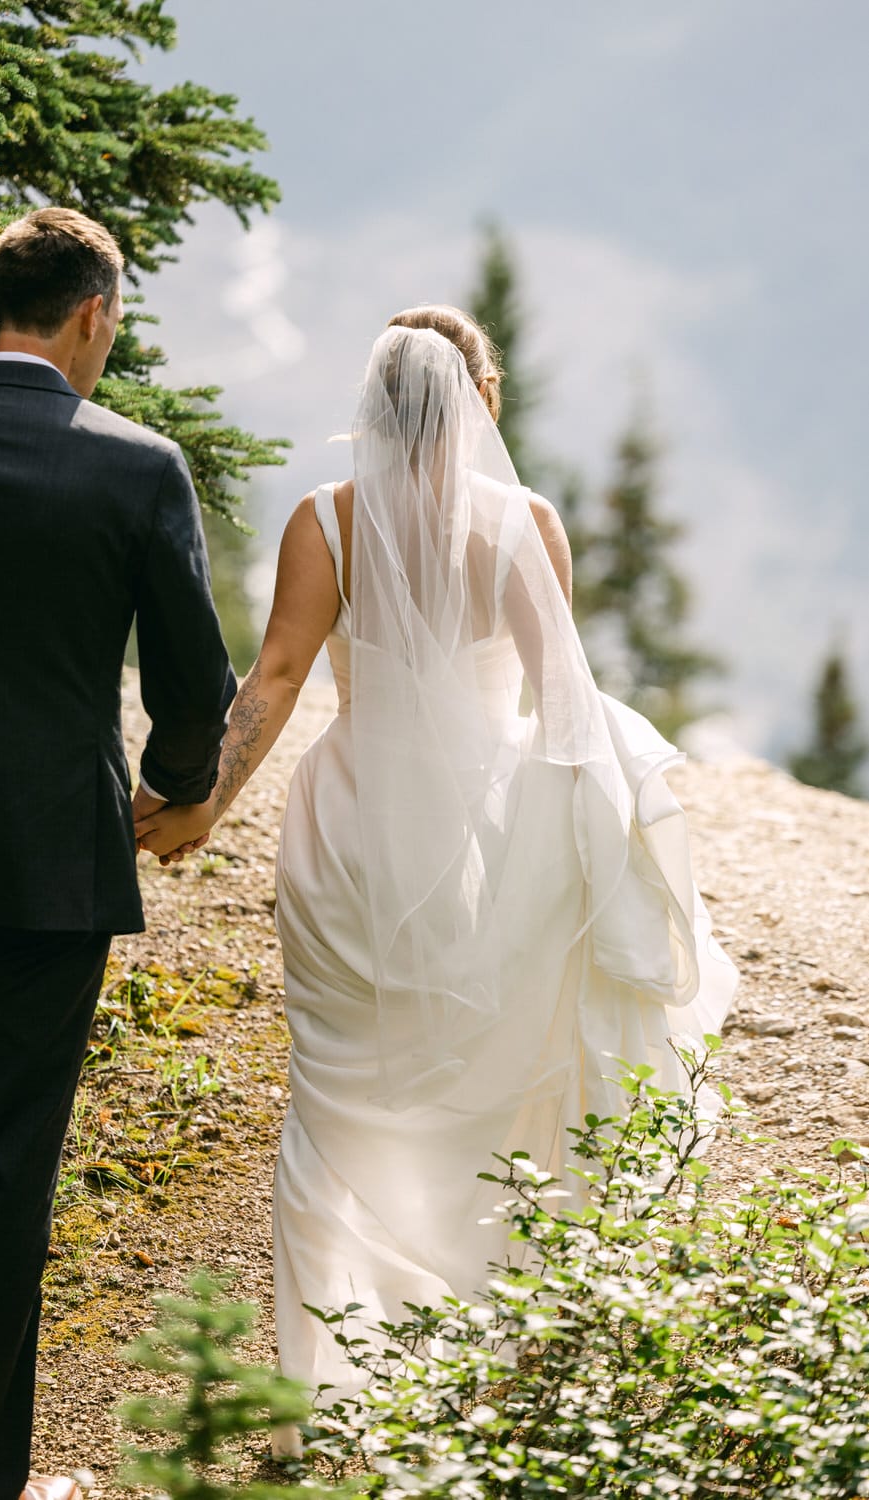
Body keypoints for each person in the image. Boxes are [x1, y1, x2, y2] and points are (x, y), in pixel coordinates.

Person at [135, 305, 738, 1446]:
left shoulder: (325, 520)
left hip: (350, 827)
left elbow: (272, 675)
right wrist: (601, 840)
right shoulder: (524, 524)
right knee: (495, 1077)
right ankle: (488, 1344)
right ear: (482, 400)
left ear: (372, 409)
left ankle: (335, 1378)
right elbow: (559, 701)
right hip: (489, 836)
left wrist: (207, 798)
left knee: (339, 1091)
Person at [0, 208, 236, 1500]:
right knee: (13, 1147)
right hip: (55, 864)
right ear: (91, 315)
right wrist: (173, 789)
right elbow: (197, 684)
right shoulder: (138, 468)